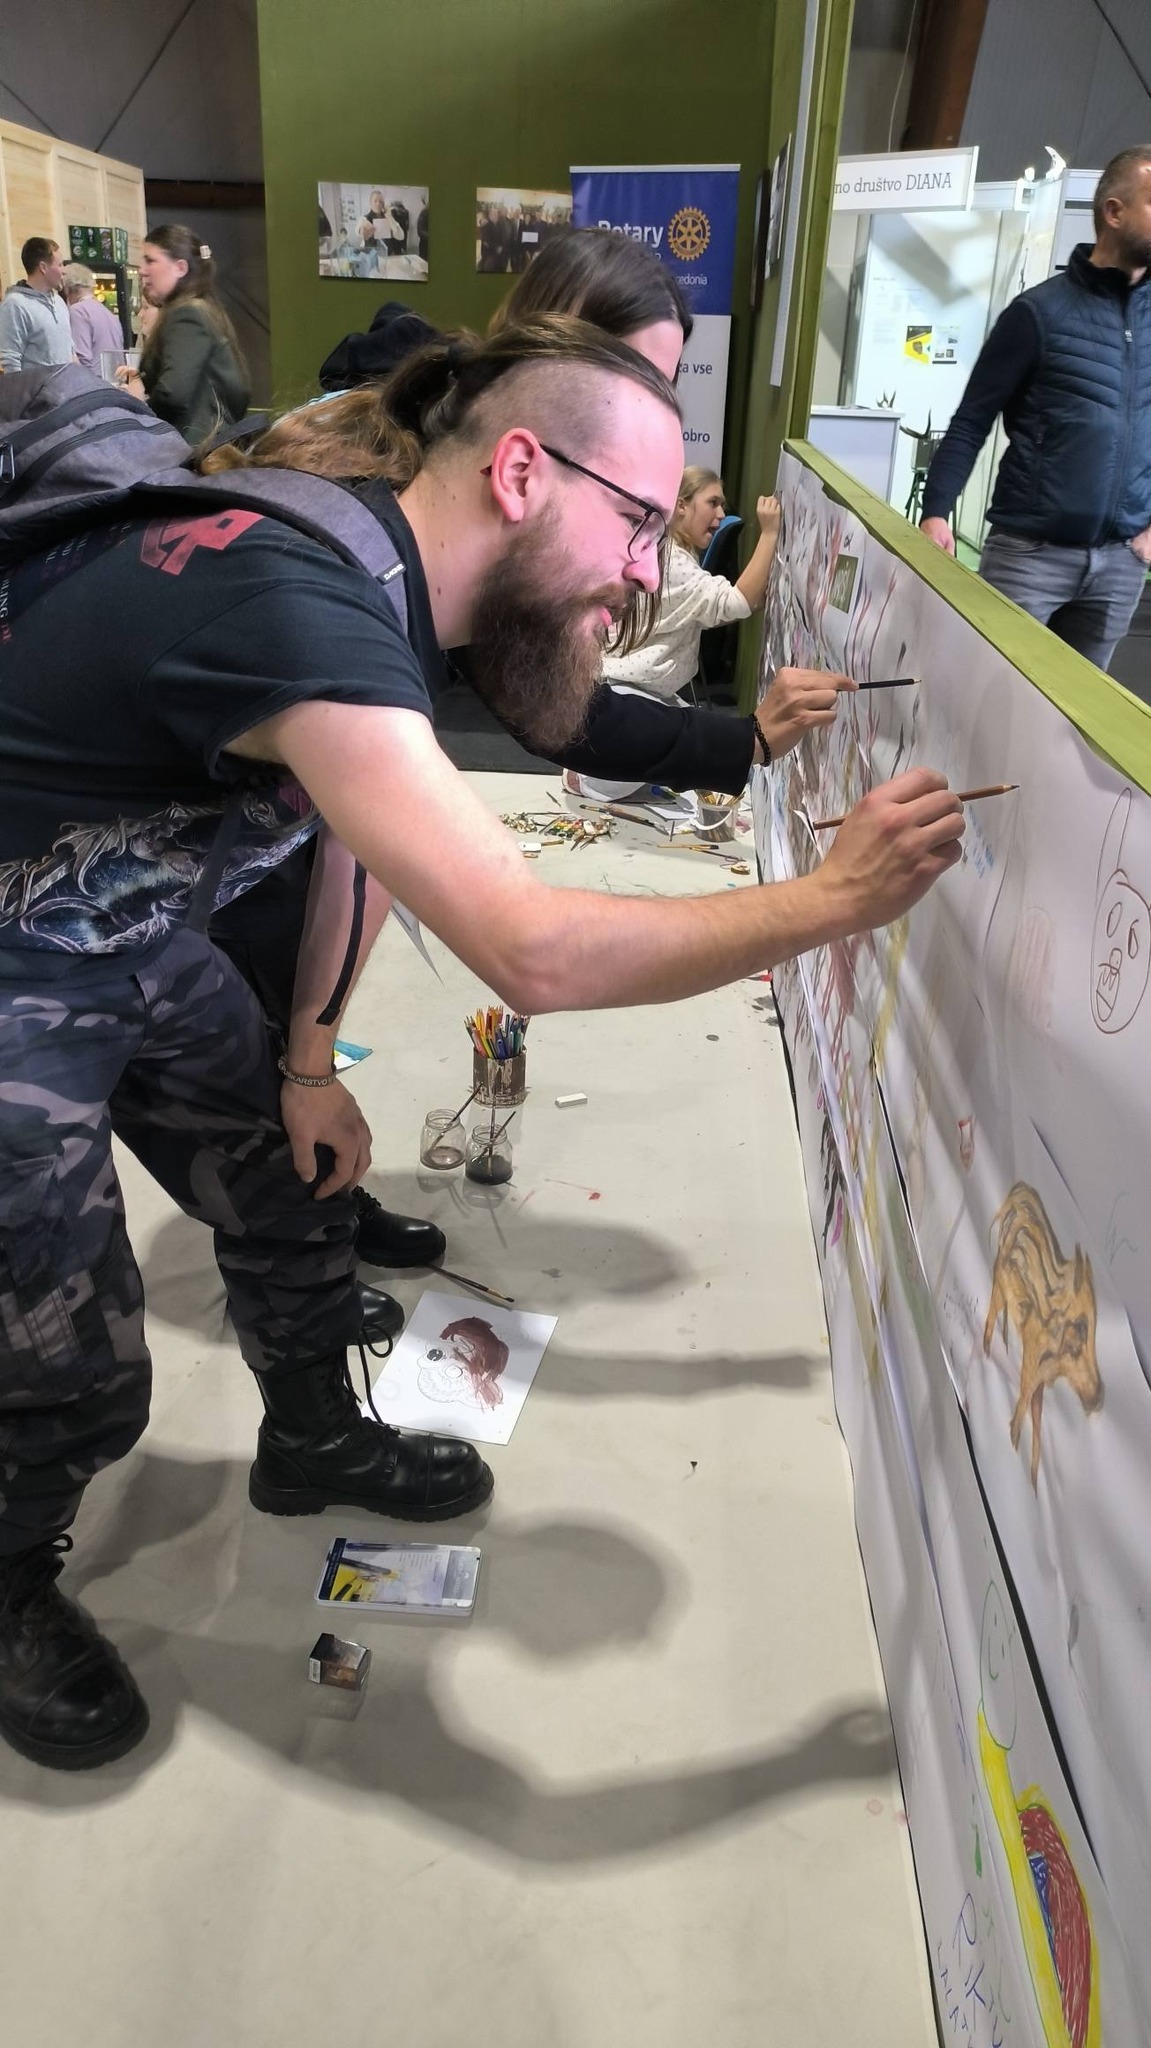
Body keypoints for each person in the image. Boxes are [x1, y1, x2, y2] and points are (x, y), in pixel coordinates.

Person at [0, 316, 964, 1770]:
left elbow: (346, 837)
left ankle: (311, 1438)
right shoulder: (305, 608)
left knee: (293, 1181)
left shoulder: (377, 583)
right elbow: (531, 948)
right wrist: (830, 900)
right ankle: (11, 1580)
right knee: (75, 1369)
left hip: (124, 928)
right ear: (519, 472)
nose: (648, 568)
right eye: (636, 520)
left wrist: (310, 1061)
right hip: (19, 961)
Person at [920, 147, 1151, 675]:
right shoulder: (1038, 314)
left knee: (1076, 716)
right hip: (1029, 558)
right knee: (992, 697)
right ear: (1114, 212)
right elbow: (971, 421)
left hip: (1120, 564)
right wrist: (936, 512)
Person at [115, 224, 250, 447]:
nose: (142, 270)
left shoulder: (187, 314)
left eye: (150, 260)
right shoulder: (203, 308)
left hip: (192, 447)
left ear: (180, 267)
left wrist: (141, 409)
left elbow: (173, 394)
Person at [0, 236, 73, 372]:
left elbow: (71, 353)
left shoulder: (59, 302)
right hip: (35, 386)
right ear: (43, 267)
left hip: (66, 384)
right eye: (59, 265)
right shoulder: (15, 305)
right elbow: (11, 361)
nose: (64, 271)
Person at [61, 262, 124, 372]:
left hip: (93, 380)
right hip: (113, 379)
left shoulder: (78, 311)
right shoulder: (109, 315)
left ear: (69, 290)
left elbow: (82, 359)